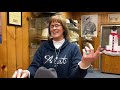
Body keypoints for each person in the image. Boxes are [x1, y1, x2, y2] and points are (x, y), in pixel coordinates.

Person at [12, 15, 102, 78]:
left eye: (57, 25)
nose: (54, 28)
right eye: (51, 26)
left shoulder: (73, 48)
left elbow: (75, 75)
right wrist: (27, 72)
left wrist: (84, 65)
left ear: (63, 28)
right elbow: (34, 66)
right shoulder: (43, 47)